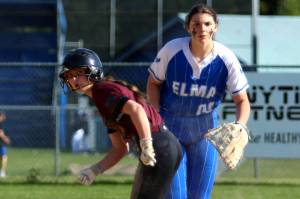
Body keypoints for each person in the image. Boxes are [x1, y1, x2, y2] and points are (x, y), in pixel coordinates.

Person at [147, 3, 251, 199]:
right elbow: (153, 83)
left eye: (207, 23)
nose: (201, 28)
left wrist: (240, 125)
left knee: (200, 196)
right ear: (188, 27)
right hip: (171, 131)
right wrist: (155, 117)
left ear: (215, 27)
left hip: (206, 134)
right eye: (196, 23)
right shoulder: (172, 50)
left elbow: (242, 100)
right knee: (175, 195)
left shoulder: (226, 58)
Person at [59, 48, 182, 199]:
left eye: (78, 73)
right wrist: (95, 170)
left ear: (93, 71)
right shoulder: (100, 98)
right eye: (70, 75)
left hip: (160, 145)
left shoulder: (101, 91)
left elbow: (136, 110)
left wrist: (147, 145)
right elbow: (120, 148)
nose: (74, 79)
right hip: (164, 145)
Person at [0, 112, 10, 178]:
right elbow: (0, 134)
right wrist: (5, 139)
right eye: (3, 116)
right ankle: (2, 172)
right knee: (4, 157)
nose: (4, 118)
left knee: (2, 157)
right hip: (1, 144)